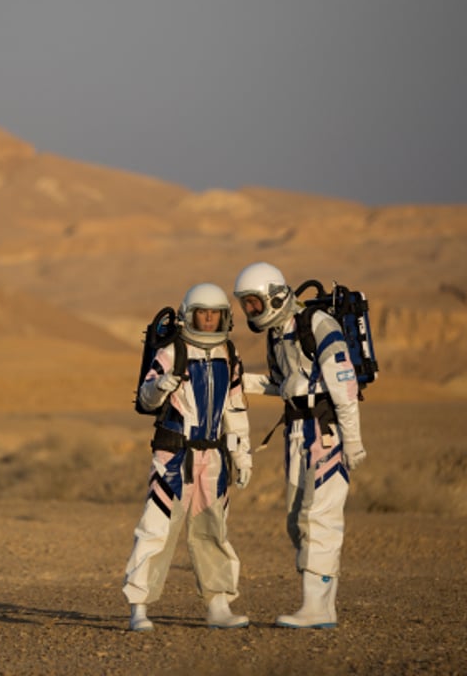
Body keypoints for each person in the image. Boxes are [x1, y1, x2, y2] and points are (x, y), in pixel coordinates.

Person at [232, 262, 367, 629]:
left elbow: (344, 385)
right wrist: (242, 380)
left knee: (318, 516)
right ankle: (323, 606)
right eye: (246, 305)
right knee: (297, 521)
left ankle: (315, 607)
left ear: (274, 296)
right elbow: (284, 383)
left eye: (255, 304)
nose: (251, 312)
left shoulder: (318, 325)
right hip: (295, 432)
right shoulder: (277, 335)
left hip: (324, 430)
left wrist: (352, 440)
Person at [122, 282, 253, 632]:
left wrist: (242, 454)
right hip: (173, 456)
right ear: (188, 315)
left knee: (213, 530)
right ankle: (140, 606)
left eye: (215, 314)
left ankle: (219, 604)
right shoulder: (171, 351)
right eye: (203, 314)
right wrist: (160, 385)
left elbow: (235, 406)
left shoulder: (229, 352)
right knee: (157, 528)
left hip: (214, 457)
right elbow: (147, 398)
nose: (209, 320)